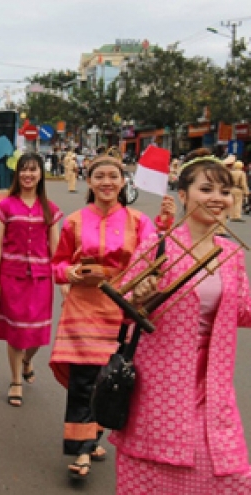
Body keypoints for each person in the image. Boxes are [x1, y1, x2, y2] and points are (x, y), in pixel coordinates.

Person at [111, 156, 251, 493]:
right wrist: (141, 295)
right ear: (183, 195)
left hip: (213, 383)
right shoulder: (158, 247)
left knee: (229, 473)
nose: (218, 198)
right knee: (152, 469)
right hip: (160, 383)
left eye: (225, 190)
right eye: (206, 189)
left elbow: (243, 313)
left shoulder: (231, 253)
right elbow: (125, 310)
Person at [49, 154, 160, 479]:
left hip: (122, 312)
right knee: (83, 383)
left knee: (110, 381)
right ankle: (80, 452)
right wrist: (72, 272)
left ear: (123, 182)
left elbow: (155, 262)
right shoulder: (74, 221)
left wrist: (165, 228)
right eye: (100, 176)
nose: (107, 182)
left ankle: (92, 436)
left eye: (113, 175)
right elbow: (56, 265)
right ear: (89, 181)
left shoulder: (140, 222)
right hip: (82, 310)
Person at [0, 153, 62, 407]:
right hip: (11, 277)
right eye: (24, 170)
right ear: (17, 174)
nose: (28, 175)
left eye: (33, 170)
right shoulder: (6, 206)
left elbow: (56, 249)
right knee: (17, 331)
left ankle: (28, 360)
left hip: (41, 279)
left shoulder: (49, 208)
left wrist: (64, 284)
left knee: (38, 335)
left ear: (41, 174)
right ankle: (15, 380)